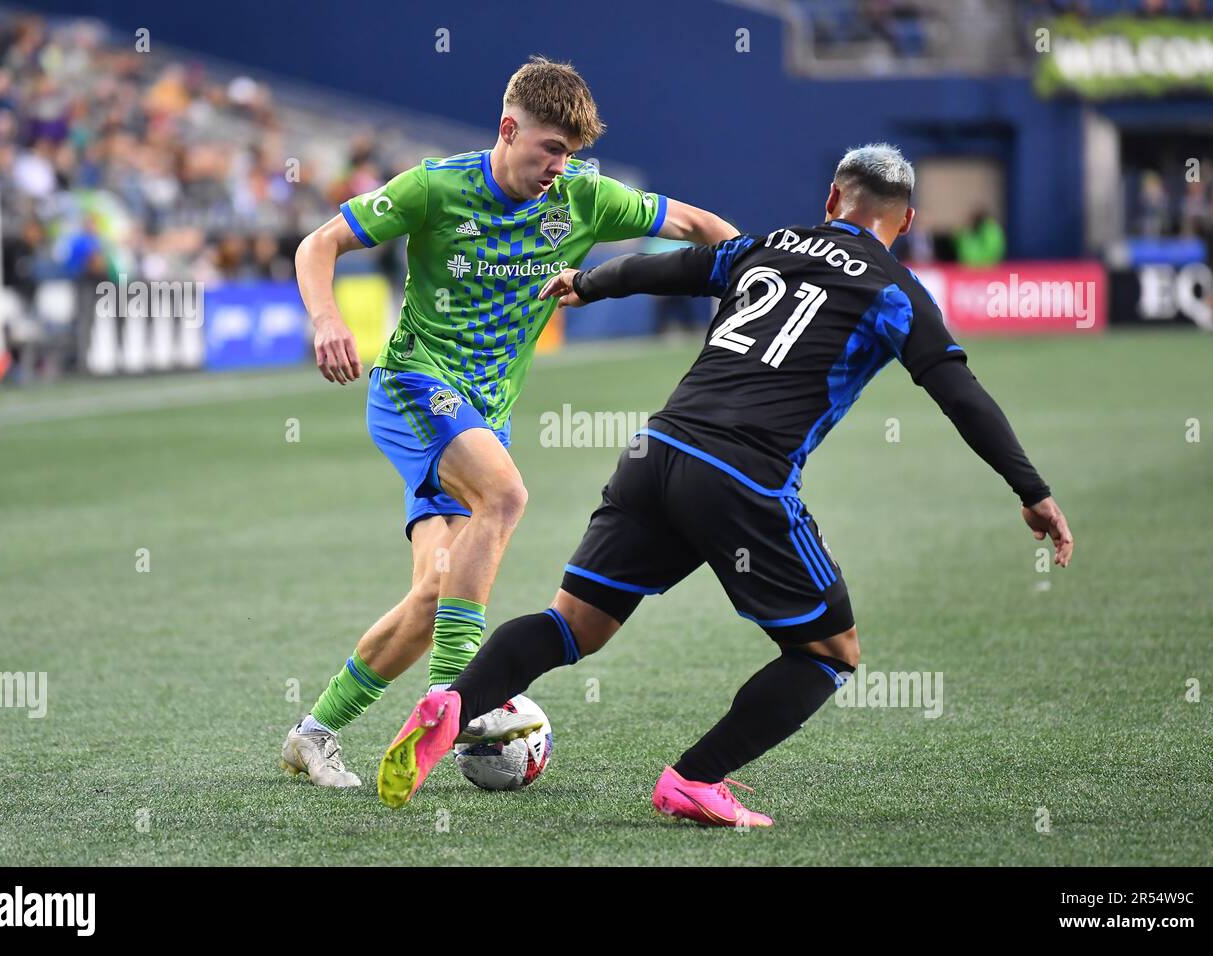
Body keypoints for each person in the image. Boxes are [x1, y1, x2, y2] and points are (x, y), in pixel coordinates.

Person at [375, 143, 1074, 822]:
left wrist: (586, 282)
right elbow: (960, 394)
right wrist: (1031, 490)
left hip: (656, 454)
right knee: (829, 653)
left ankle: (456, 702)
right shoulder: (894, 291)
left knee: (571, 626)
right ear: (906, 222)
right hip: (743, 478)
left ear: (831, 200)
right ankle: (695, 779)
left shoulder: (766, 245)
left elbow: (671, 268)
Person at [281, 56, 739, 787]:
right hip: (414, 387)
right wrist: (327, 317)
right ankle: (461, 698)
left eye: (571, 153)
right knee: (507, 496)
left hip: (481, 421)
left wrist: (758, 283)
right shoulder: (437, 186)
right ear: (508, 129)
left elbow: (697, 225)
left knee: (435, 595)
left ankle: (313, 733)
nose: (560, 166)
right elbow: (319, 244)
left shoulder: (583, 199)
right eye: (549, 148)